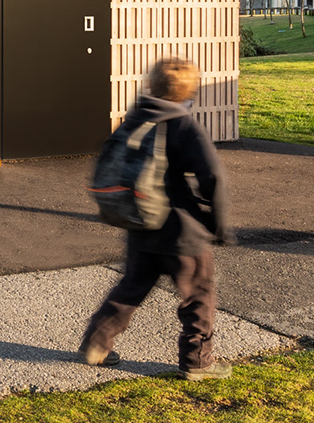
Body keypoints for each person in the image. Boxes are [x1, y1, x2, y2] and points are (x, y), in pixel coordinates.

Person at [77, 57, 233, 380]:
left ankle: (96, 343)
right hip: (182, 234)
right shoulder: (184, 124)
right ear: (189, 91)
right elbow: (213, 177)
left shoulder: (134, 118)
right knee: (199, 295)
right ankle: (198, 361)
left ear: (152, 85)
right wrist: (216, 225)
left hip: (141, 226)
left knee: (130, 287)